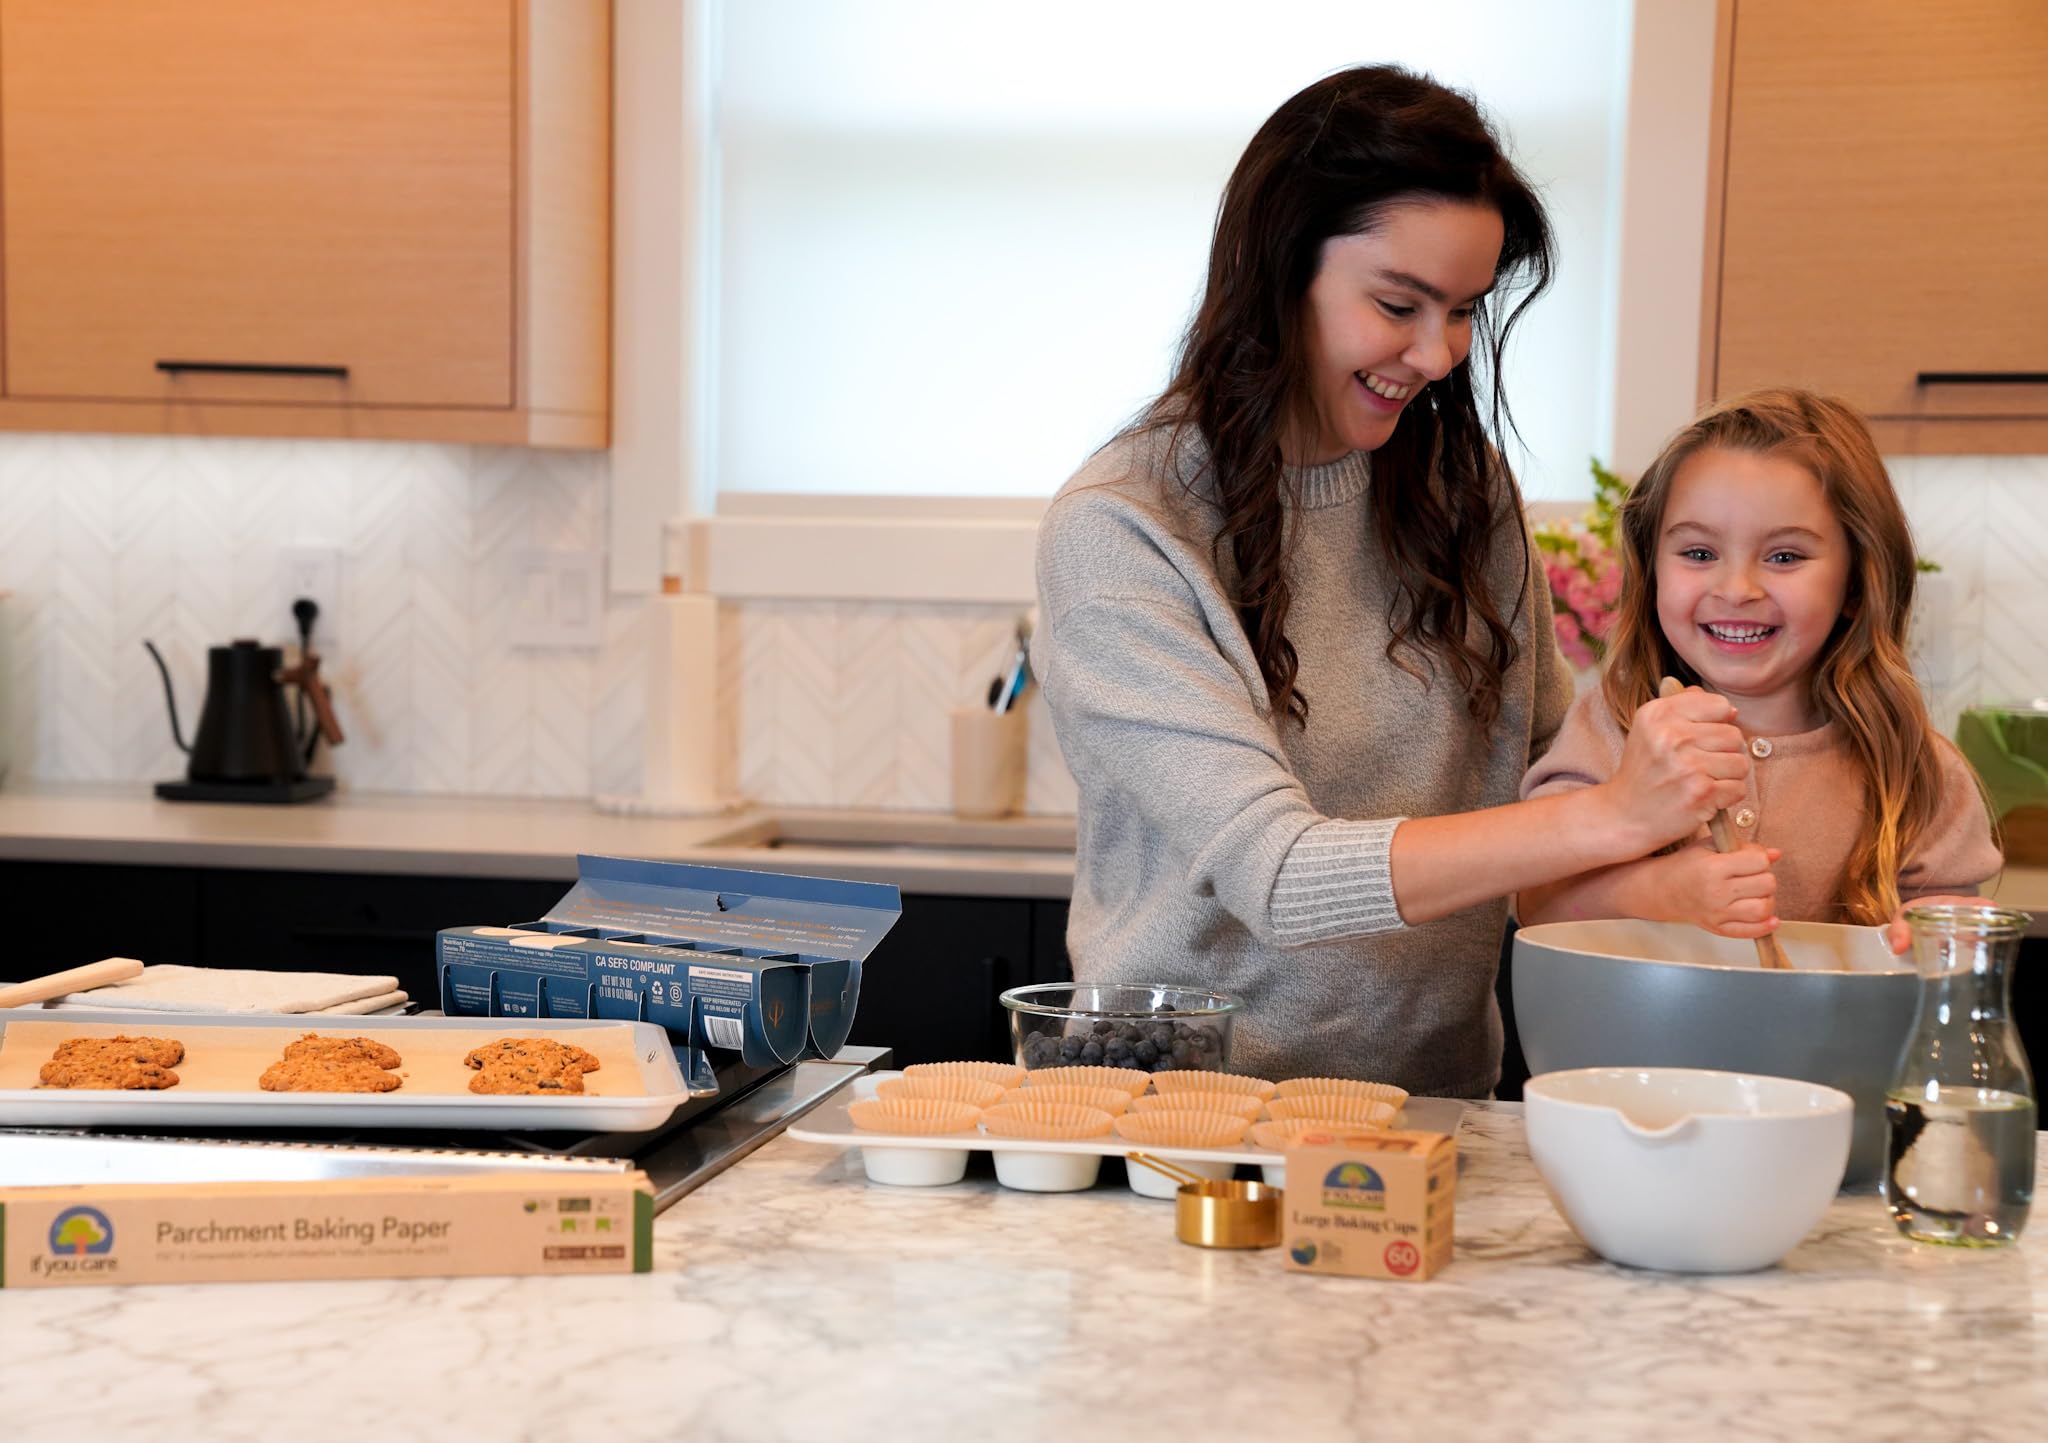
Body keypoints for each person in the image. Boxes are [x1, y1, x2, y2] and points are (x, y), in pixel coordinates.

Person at [1031, 66, 1752, 1097]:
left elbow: (1547, 769)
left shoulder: (1458, 489)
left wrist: (1667, 860)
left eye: (1462, 310)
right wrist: (1612, 820)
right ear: (1280, 269)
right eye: (1397, 304)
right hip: (1175, 1117)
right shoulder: (1121, 528)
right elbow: (1276, 875)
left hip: (1423, 1109)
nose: (1437, 354)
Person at [1517, 389, 2001, 951]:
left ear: (1855, 584)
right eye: (1699, 554)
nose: (1736, 590)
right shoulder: (1613, 730)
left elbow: (1951, 923)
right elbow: (1536, 903)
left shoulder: (1914, 767)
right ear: (1652, 572)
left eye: (1784, 557)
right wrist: (1662, 891)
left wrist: (1938, 933)